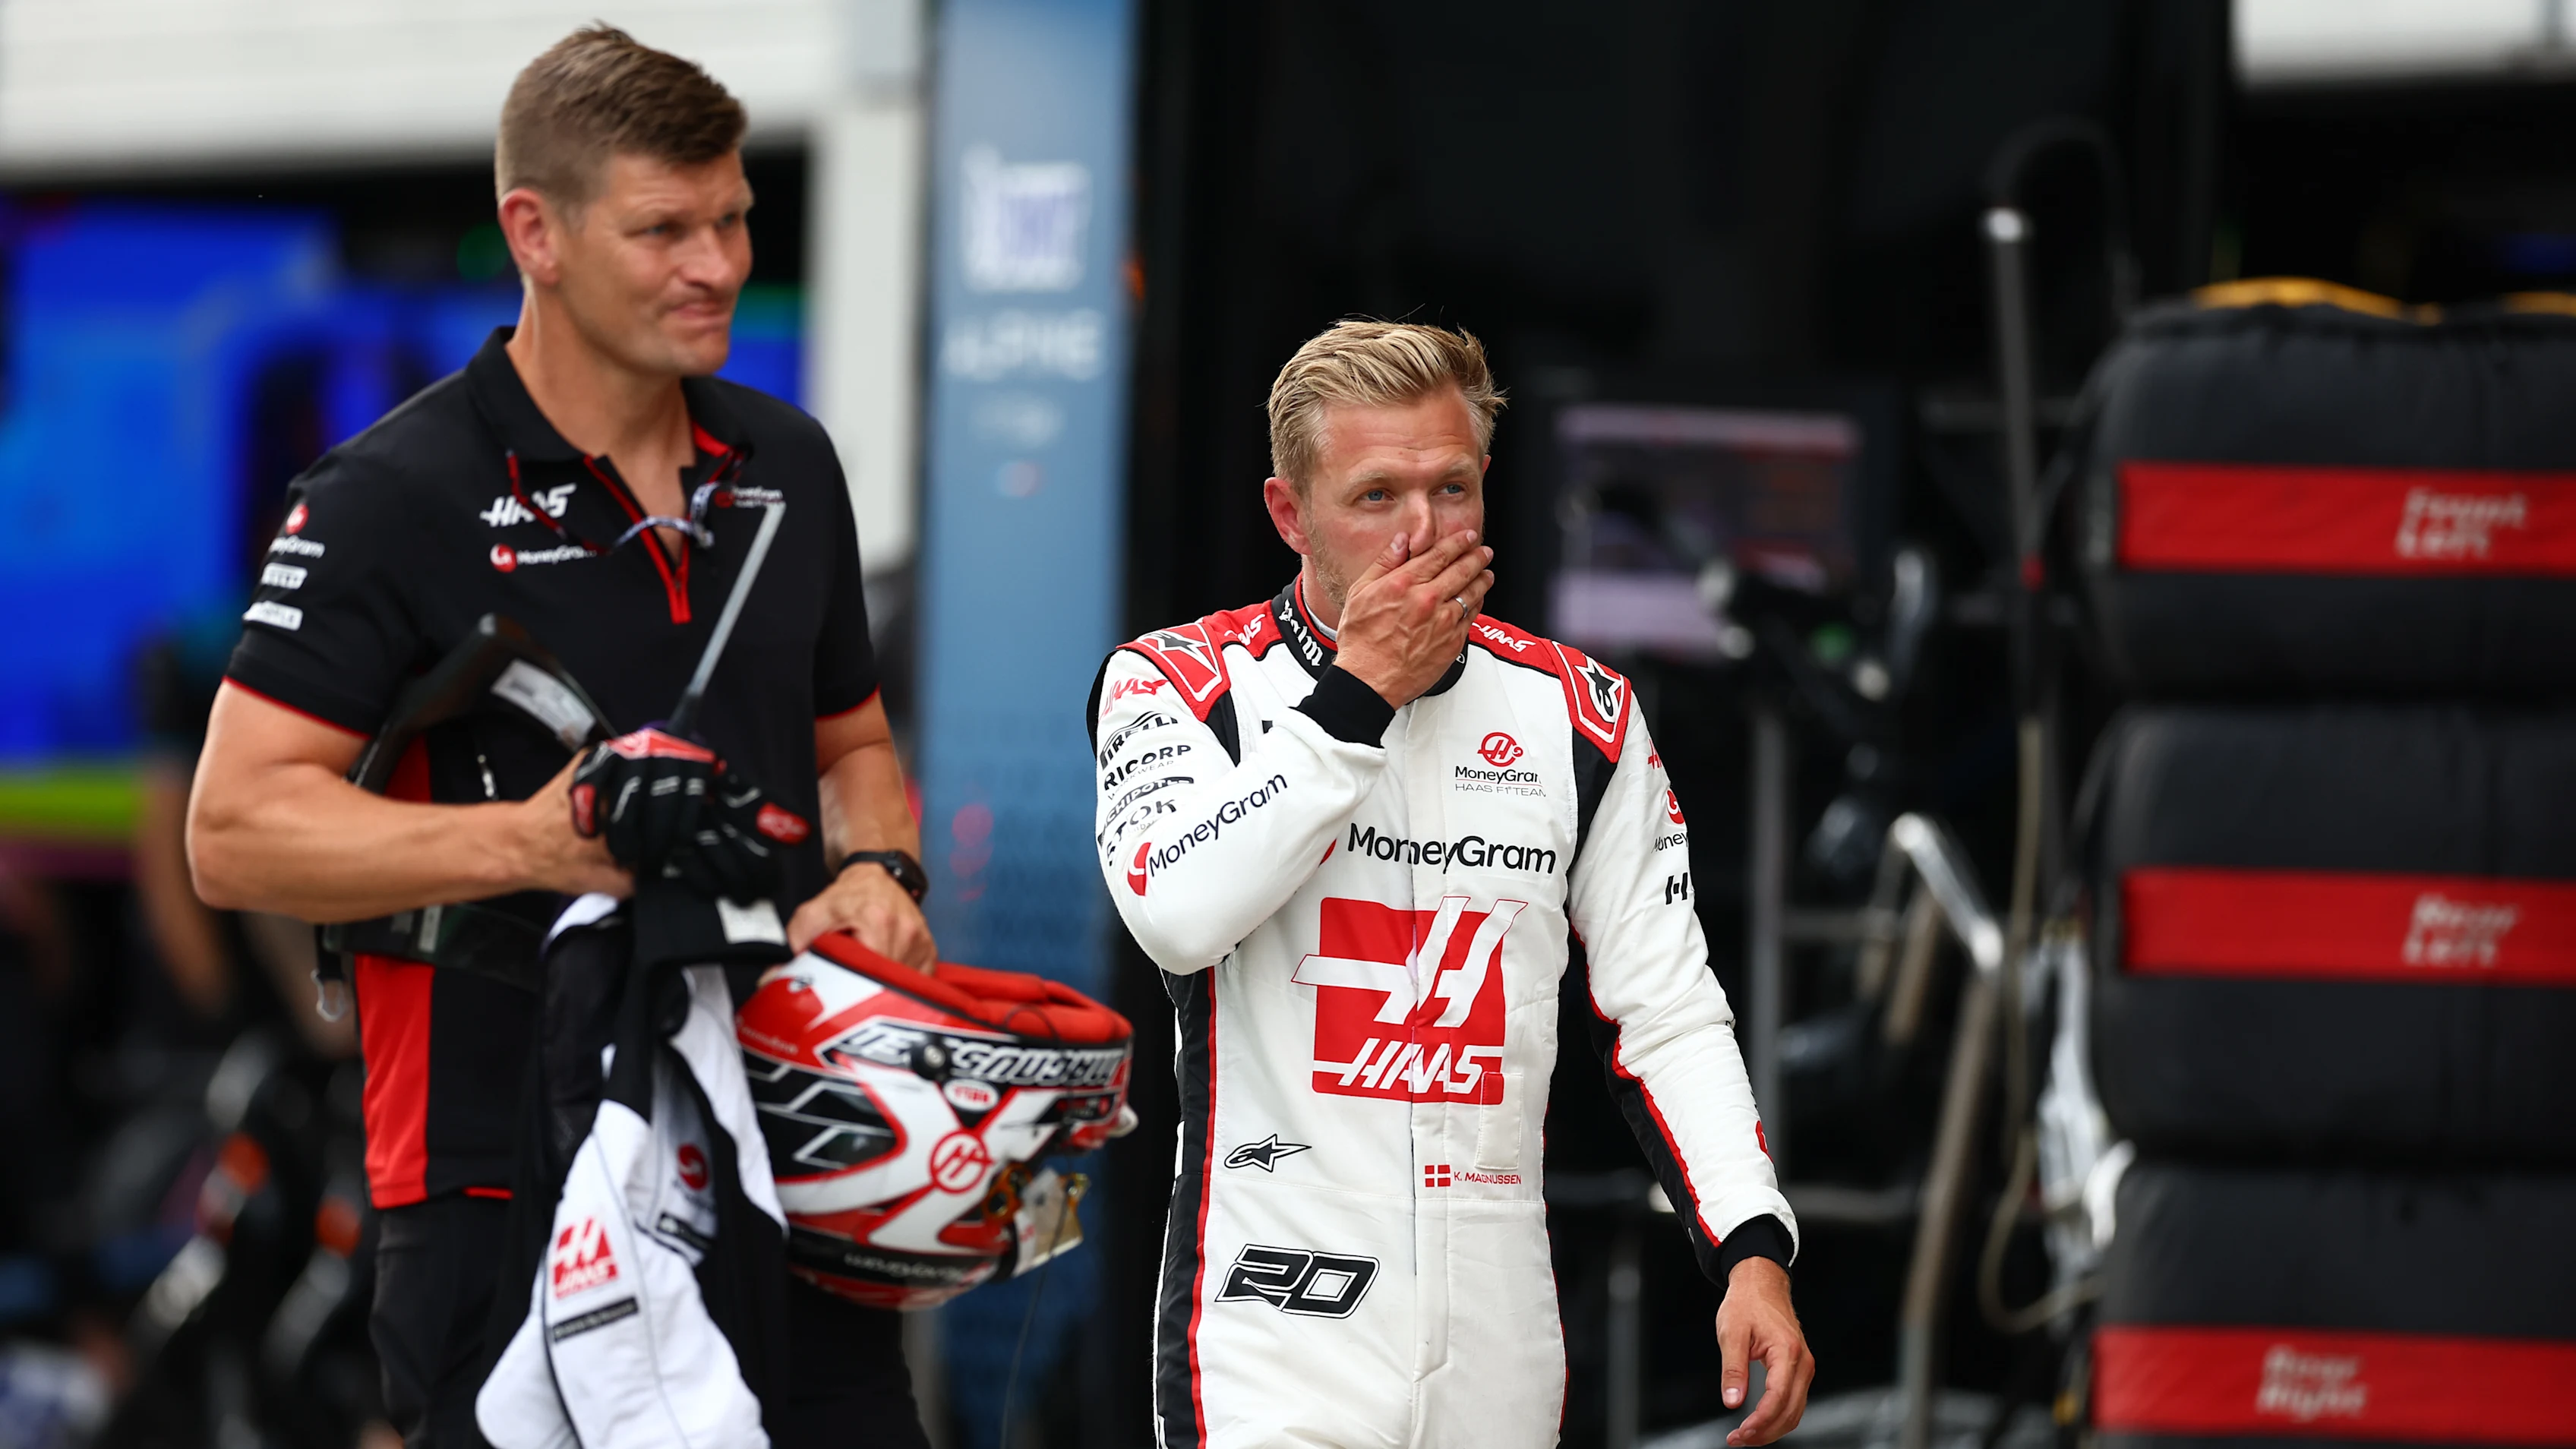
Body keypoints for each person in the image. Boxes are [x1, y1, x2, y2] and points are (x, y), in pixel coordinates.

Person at [185, 27, 933, 1449]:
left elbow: (853, 748)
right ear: (535, 232)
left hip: (788, 1145)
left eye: (732, 220)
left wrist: (880, 875)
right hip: (495, 1175)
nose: (714, 263)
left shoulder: (789, 464)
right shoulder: (389, 496)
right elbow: (233, 830)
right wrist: (538, 842)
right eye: (664, 229)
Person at [1091, 320, 1815, 1449]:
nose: (1422, 533)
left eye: (1453, 487)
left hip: (1498, 1339)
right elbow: (1177, 918)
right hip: (1274, 1334)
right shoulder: (1183, 684)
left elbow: (1667, 1013)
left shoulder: (1582, 714)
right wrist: (1359, 692)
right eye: (1375, 496)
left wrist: (1753, 1251)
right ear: (1291, 515)